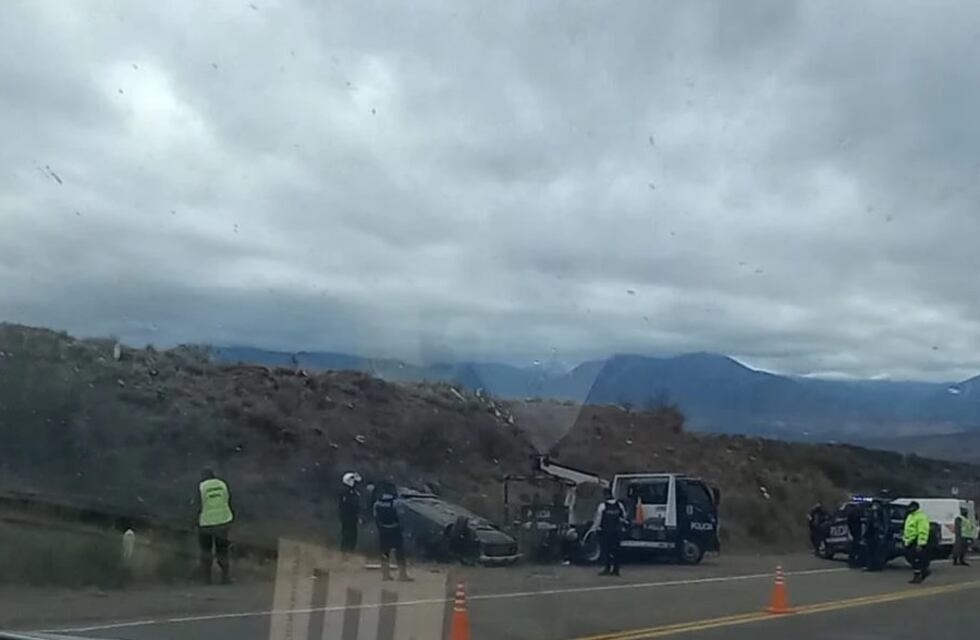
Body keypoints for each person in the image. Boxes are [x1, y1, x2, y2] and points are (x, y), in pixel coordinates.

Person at [196, 467, 234, 584]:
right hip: (223, 521)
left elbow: (197, 505)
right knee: (222, 550)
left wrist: (193, 521)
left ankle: (206, 579)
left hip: (206, 524)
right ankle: (225, 577)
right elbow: (228, 499)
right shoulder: (222, 484)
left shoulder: (201, 487)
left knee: (206, 550)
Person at [373, 482, 412, 581]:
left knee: (384, 553)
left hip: (383, 531)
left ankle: (385, 575)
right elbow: (401, 516)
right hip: (395, 530)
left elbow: (376, 517)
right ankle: (402, 575)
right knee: (399, 553)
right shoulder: (396, 503)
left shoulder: (377, 503)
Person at [594, 488, 627, 577]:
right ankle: (616, 570)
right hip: (617, 531)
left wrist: (595, 528)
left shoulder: (602, 505)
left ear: (605, 495)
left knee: (606, 550)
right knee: (616, 551)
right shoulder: (619, 505)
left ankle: (607, 568)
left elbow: (598, 518)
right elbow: (624, 516)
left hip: (605, 531)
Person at [903, 501, 931, 584]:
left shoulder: (921, 517)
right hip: (909, 541)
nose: (910, 509)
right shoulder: (910, 516)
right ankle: (923, 571)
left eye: (911, 507)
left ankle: (918, 576)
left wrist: (921, 543)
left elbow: (923, 530)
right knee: (911, 558)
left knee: (916, 559)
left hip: (916, 540)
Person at [339, 471, 362, 555]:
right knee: (347, 535)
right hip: (347, 516)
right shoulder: (345, 492)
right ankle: (345, 552)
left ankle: (350, 551)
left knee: (352, 535)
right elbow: (349, 505)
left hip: (352, 517)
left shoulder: (353, 492)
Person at [846, 503, 864, 568]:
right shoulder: (855, 514)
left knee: (855, 548)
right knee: (855, 548)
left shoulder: (851, 513)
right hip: (856, 532)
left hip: (855, 532)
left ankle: (853, 562)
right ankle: (854, 562)